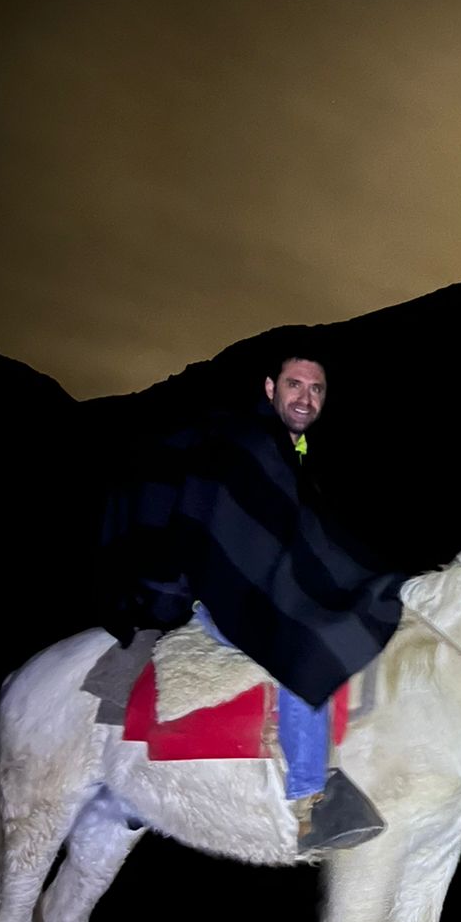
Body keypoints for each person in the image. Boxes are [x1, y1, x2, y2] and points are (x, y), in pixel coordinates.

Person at [99, 347, 406, 852]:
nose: (305, 397)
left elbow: (298, 540)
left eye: (316, 389)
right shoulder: (248, 443)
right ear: (270, 389)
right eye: (294, 385)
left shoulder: (295, 453)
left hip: (257, 583)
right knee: (303, 644)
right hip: (222, 591)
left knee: (344, 604)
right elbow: (234, 536)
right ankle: (312, 800)